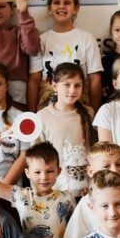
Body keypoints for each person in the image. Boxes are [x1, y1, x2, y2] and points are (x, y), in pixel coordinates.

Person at [0, 140, 75, 238]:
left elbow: (75, 232)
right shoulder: (21, 195)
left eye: (50, 171)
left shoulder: (67, 198)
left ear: (58, 171)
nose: (44, 177)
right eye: (37, 172)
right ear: (27, 173)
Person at [28, 0, 103, 110]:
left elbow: (95, 79)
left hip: (79, 107)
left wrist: (93, 114)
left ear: (76, 8)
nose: (61, 6)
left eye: (67, 3)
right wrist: (32, 115)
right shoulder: (41, 40)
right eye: (57, 3)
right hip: (47, 107)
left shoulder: (87, 38)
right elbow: (34, 80)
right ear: (49, 8)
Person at [36, 62, 96, 198]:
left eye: (77, 85)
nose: (72, 90)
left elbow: (94, 152)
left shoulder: (89, 113)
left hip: (86, 192)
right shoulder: (42, 116)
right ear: (54, 86)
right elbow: (37, 160)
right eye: (67, 85)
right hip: (56, 193)